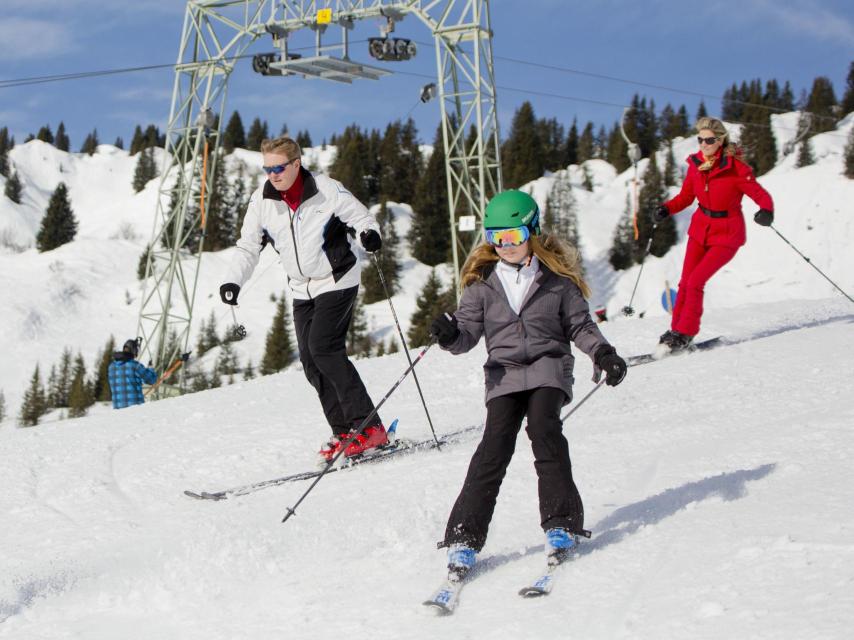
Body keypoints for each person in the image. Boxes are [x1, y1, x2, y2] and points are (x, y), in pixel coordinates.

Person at [429, 189, 628, 577]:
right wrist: (450, 335)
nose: (504, 246)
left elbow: (580, 326)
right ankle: (463, 536)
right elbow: (466, 335)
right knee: (494, 446)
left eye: (513, 237)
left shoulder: (557, 283)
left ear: (531, 232)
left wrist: (603, 353)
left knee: (544, 430)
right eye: (495, 238)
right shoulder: (481, 286)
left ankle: (561, 523)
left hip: (547, 368)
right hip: (503, 374)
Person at [220, 136, 387, 461]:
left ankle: (369, 427)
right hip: (302, 288)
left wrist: (369, 234)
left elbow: (362, 218)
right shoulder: (263, 201)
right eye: (267, 168)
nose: (273, 174)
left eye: (279, 167)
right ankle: (345, 432)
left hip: (337, 278)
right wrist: (232, 280)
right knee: (312, 363)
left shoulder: (327, 189)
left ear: (296, 164)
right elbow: (248, 246)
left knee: (324, 349)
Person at [652, 116, 774, 353]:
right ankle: (676, 330)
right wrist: (666, 208)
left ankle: (686, 333)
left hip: (727, 234)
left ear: (720, 140)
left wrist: (766, 211)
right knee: (685, 281)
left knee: (696, 281)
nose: (704, 144)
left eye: (709, 140)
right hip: (700, 229)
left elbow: (760, 194)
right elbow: (686, 197)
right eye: (700, 139)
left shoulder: (736, 168)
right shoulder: (696, 166)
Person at [108, 338, 158, 409]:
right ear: (134, 351)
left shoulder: (111, 367)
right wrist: (150, 368)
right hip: (135, 411)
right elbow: (152, 380)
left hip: (118, 412)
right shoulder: (135, 365)